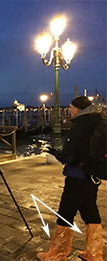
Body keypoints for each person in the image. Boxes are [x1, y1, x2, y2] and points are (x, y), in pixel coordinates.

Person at [41, 96, 104, 261]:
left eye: (70, 107)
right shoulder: (97, 123)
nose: (69, 110)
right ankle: (94, 254)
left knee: (65, 213)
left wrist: (56, 153)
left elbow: (68, 154)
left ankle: (58, 254)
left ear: (78, 109)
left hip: (78, 177)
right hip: (93, 176)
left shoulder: (81, 125)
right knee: (90, 212)